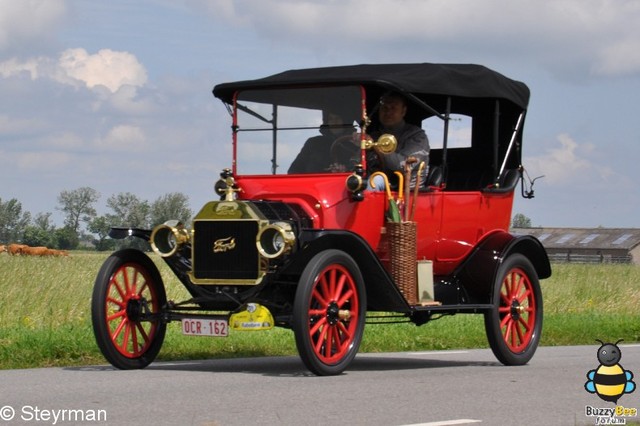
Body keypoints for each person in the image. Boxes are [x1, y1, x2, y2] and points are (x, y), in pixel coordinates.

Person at [367, 92, 429, 190]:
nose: (388, 112)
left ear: (403, 111)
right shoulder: (374, 136)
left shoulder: (417, 136)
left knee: (375, 180)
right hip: (377, 189)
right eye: (384, 108)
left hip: (406, 192)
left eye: (393, 108)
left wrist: (377, 146)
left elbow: (402, 166)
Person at [288, 110, 354, 174]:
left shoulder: (356, 144)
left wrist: (346, 171)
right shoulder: (313, 143)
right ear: (326, 122)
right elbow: (293, 170)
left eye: (338, 118)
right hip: (313, 184)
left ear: (346, 121)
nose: (334, 122)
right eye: (330, 119)